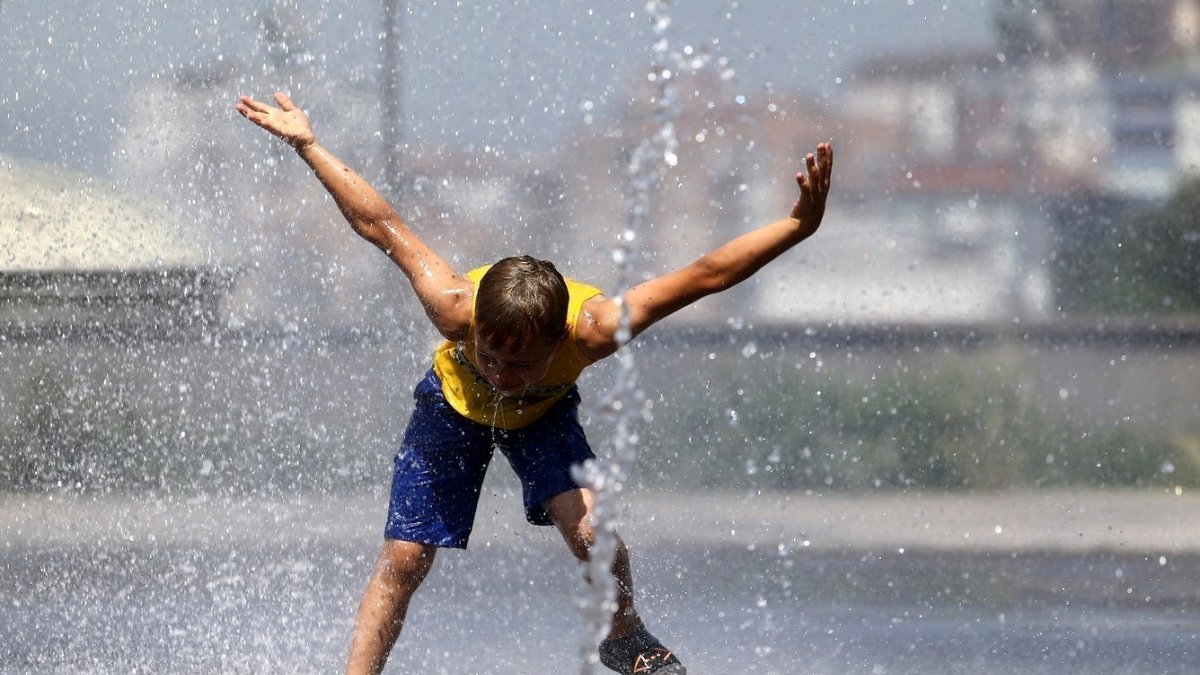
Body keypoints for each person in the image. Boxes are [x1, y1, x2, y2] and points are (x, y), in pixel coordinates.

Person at [236, 91, 833, 675]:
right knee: (405, 557)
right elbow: (379, 223)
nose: (501, 374)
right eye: (490, 356)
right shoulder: (453, 307)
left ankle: (624, 638)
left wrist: (797, 226)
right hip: (451, 407)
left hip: (544, 417)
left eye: (520, 365)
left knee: (593, 532)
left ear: (557, 341)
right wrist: (309, 146)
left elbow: (705, 275)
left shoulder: (595, 330)